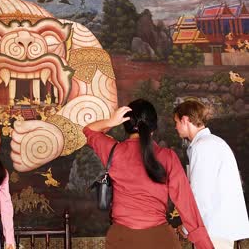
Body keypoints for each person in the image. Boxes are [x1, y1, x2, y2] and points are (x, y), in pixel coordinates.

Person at [83, 99, 213, 249]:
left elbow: (89, 130)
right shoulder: (167, 156)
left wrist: (111, 121)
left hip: (121, 239)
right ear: (154, 127)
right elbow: (186, 204)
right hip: (160, 239)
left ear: (126, 125)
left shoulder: (113, 151)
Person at [174, 100, 249, 249]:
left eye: (176, 122)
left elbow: (200, 195)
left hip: (214, 230)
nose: (175, 127)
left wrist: (187, 227)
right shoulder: (210, 143)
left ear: (185, 120)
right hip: (217, 229)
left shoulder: (203, 147)